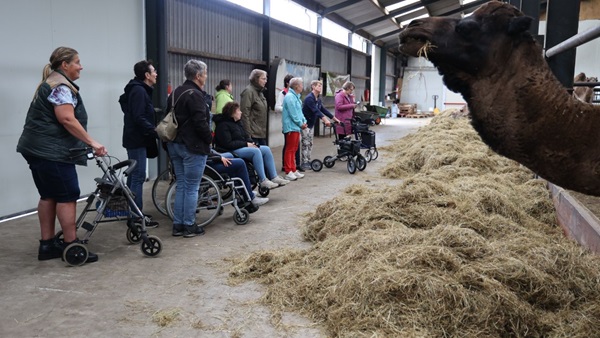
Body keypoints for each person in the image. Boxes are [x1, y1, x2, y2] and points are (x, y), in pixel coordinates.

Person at [17, 46, 107, 263]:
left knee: (48, 195)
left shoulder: (51, 82)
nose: (81, 66)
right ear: (65, 65)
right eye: (77, 62)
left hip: (35, 149)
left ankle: (47, 245)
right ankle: (71, 246)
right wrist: (93, 142)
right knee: (68, 195)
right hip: (52, 152)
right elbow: (66, 119)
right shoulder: (61, 86)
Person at [166, 59, 212, 238]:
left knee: (182, 185)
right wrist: (209, 140)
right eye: (205, 74)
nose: (206, 77)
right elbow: (200, 122)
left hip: (174, 144)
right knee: (192, 187)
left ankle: (178, 225)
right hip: (191, 146)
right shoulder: (195, 94)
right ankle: (189, 224)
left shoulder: (176, 92)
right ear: (198, 75)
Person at [118, 60, 159, 228]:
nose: (156, 74)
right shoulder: (139, 91)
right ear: (147, 75)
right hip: (136, 140)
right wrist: (155, 130)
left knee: (135, 175)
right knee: (138, 176)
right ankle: (136, 217)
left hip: (136, 139)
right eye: (154, 71)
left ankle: (132, 211)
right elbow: (139, 116)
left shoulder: (138, 90)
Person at [214, 102, 290, 189]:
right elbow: (227, 144)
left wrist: (252, 143)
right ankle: (263, 180)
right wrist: (246, 144)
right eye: (238, 110)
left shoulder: (238, 123)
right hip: (230, 150)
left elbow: (245, 136)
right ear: (232, 113)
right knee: (255, 151)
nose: (241, 112)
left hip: (241, 147)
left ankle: (274, 177)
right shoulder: (223, 125)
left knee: (266, 149)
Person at [301, 80, 339, 170]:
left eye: (321, 86)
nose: (320, 87)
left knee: (310, 143)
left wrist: (335, 119)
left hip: (311, 124)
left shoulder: (318, 98)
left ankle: (308, 160)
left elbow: (323, 109)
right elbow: (316, 110)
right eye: (318, 85)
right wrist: (325, 120)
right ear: (313, 87)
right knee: (305, 143)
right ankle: (304, 162)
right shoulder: (309, 98)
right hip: (305, 124)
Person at [282, 77, 307, 180]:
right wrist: (301, 123)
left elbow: (299, 112)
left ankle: (293, 169)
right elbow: (293, 114)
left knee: (294, 149)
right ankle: (288, 171)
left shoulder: (296, 97)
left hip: (296, 127)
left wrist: (304, 121)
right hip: (291, 127)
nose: (302, 87)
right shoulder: (290, 97)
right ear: (296, 86)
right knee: (290, 149)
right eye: (301, 85)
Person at [275, 74, 301, 172]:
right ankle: (286, 165)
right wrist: (287, 110)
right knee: (288, 145)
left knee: (295, 145)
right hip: (288, 123)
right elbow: (277, 107)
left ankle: (295, 164)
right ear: (288, 83)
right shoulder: (283, 93)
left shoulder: (295, 95)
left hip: (295, 123)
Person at [240, 69, 269, 145]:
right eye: (263, 79)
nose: (265, 81)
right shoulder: (248, 92)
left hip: (261, 133)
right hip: (253, 134)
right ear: (256, 79)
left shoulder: (260, 92)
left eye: (266, 79)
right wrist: (248, 134)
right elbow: (245, 113)